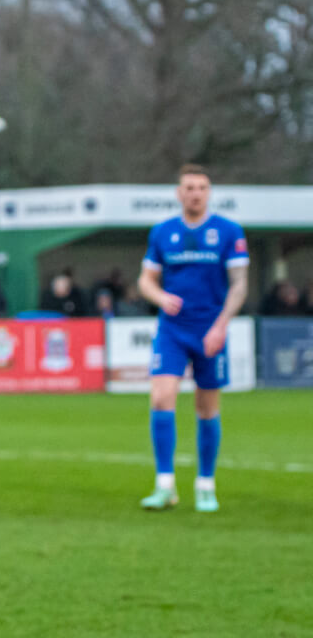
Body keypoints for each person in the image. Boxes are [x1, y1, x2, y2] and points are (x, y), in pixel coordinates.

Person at [137, 164, 248, 513]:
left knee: (206, 407)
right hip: (172, 330)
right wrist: (159, 297)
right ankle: (165, 485)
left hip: (210, 331)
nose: (195, 193)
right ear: (178, 193)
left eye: (201, 187)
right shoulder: (162, 232)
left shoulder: (228, 232)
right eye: (188, 187)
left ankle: (205, 484)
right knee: (161, 397)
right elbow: (146, 280)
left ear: (209, 192)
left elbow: (240, 284)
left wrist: (222, 324)